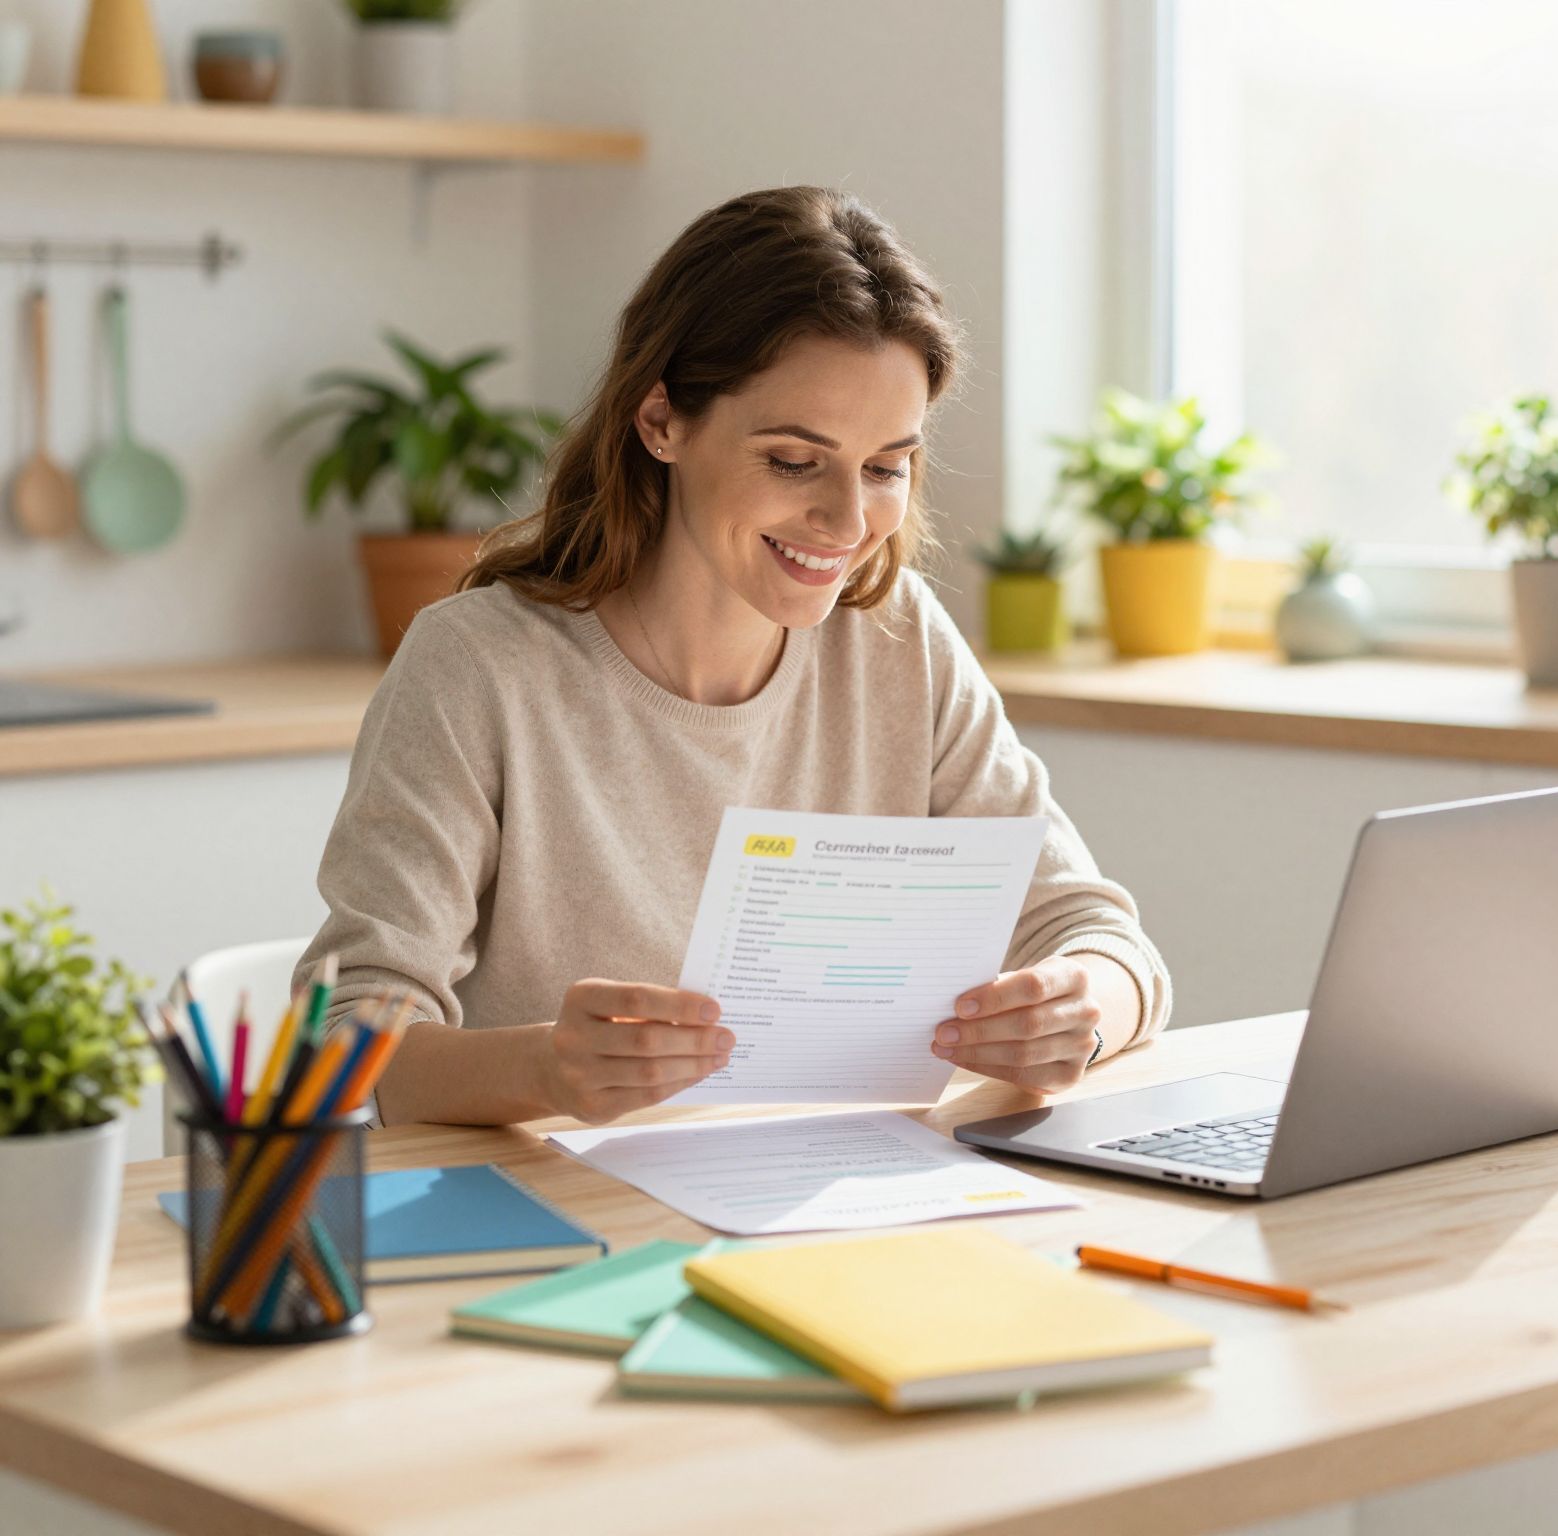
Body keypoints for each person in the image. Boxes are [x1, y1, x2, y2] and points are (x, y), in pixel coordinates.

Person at [297, 185, 1172, 1127]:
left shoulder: (898, 641)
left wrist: (1079, 1013)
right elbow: (345, 1040)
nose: (847, 521)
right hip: (565, 1217)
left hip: (834, 1211)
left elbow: (1102, 939)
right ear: (661, 421)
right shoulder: (480, 667)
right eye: (794, 462)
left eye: (885, 467)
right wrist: (545, 1072)